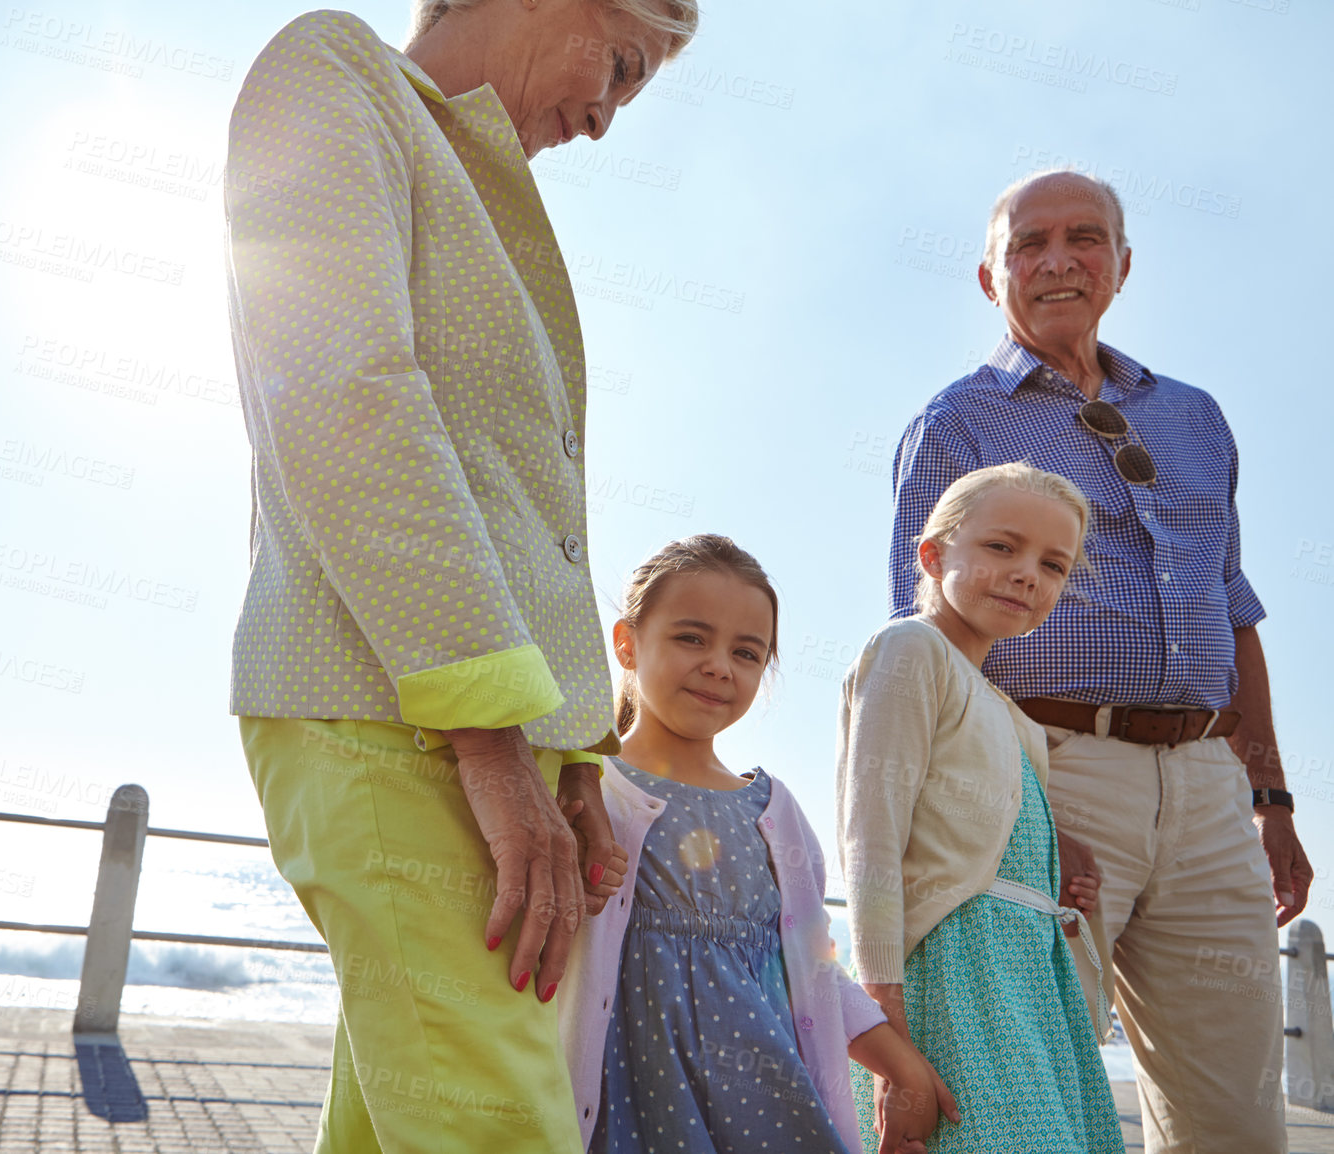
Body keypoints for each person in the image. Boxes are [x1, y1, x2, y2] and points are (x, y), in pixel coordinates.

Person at [222, 1, 698, 1149]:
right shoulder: (335, 65)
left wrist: (571, 750)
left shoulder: (464, 167)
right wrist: (492, 742)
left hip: (476, 732)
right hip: (396, 717)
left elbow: (502, 499)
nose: (604, 122)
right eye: (621, 65)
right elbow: (344, 386)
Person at [888, 168, 1312, 1153]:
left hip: (1211, 784)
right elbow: (924, 634)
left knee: (1239, 1121)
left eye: (1083, 237)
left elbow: (1232, 606)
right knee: (1027, 1100)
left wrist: (1272, 800)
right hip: (1050, 771)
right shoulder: (955, 422)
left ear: (1122, 264)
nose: (1055, 258)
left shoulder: (1196, 417)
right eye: (1026, 243)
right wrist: (1022, 812)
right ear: (990, 278)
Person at [558, 534, 955, 1154]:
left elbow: (811, 967)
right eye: (692, 637)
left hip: (767, 1112)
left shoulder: (775, 811)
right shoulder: (585, 788)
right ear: (627, 644)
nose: (720, 665)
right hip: (623, 1111)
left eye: (747, 652)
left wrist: (898, 1065)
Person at [841, 463, 1124, 1153]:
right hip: (950, 980)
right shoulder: (912, 649)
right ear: (933, 556)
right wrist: (889, 1040)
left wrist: (1052, 884)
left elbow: (987, 841)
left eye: (1054, 564)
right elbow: (870, 841)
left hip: (1027, 990)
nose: (1029, 573)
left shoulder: (1014, 716)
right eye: (1003, 547)